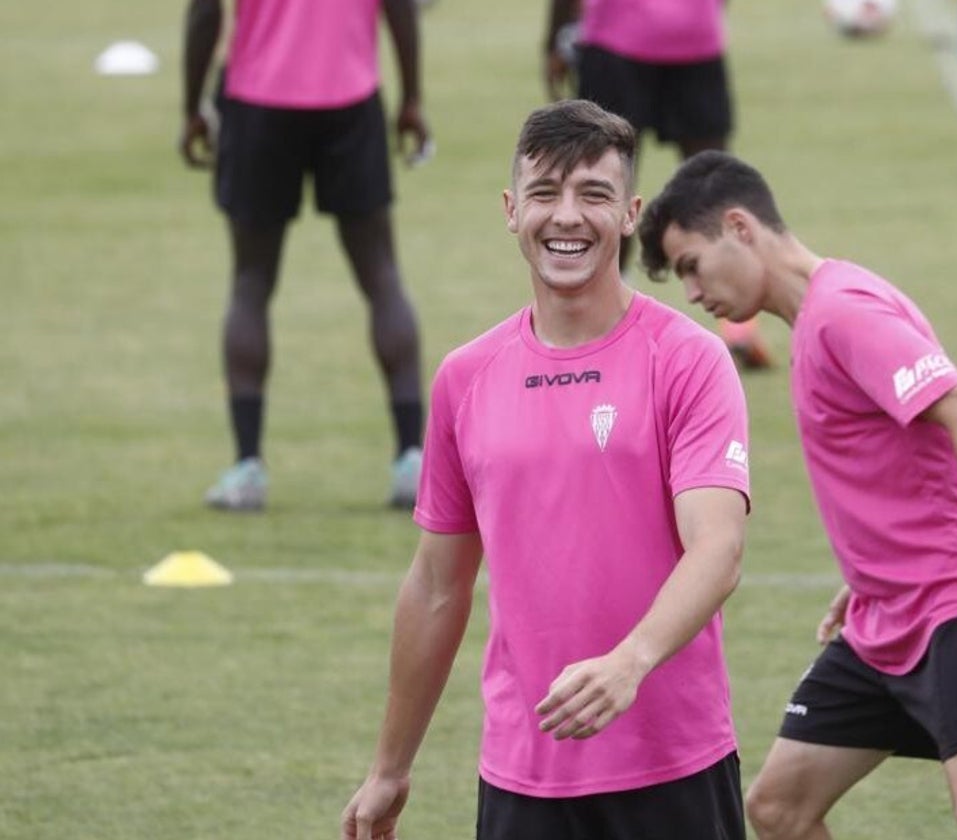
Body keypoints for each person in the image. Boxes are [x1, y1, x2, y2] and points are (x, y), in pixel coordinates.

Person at [340, 100, 751, 840]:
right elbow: (437, 585)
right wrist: (389, 769)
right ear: (511, 210)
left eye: (593, 195)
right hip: (524, 776)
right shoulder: (466, 378)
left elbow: (717, 550)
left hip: (674, 769)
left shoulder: (689, 360)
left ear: (629, 214)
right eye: (545, 194)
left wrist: (630, 663)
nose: (568, 217)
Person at [638, 150, 957, 840]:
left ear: (740, 228)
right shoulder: (818, 317)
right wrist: (866, 569)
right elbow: (900, 455)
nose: (691, 291)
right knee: (779, 810)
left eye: (690, 264)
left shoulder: (842, 313)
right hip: (884, 617)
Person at [179, 0, 431, 511]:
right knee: (381, 276)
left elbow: (205, 11)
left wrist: (191, 108)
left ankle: (248, 468)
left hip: (257, 99)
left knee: (251, 282)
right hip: (350, 95)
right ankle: (411, 459)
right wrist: (411, 98)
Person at [542, 0, 773, 371]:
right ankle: (740, 325)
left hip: (614, 36)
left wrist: (553, 40)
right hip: (694, 32)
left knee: (604, 186)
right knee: (715, 185)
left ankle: (598, 327)